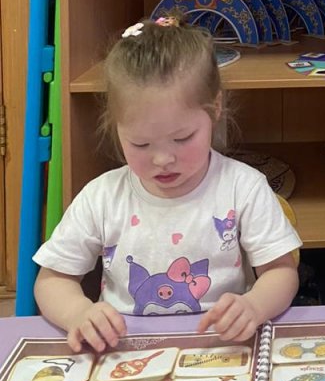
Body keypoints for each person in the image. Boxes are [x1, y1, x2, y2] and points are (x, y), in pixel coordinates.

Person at [33, 18, 301, 353]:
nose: (163, 159)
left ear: (215, 108)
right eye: (141, 144)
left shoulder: (243, 188)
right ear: (116, 126)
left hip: (220, 348)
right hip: (126, 352)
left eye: (182, 138)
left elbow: (281, 272)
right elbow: (52, 279)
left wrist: (255, 305)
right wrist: (77, 312)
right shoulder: (101, 197)